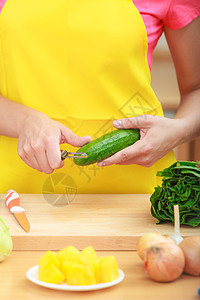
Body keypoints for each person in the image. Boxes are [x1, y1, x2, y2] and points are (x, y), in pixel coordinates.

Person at [0, 0, 199, 194]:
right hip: (18, 195)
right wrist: (25, 121)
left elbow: (196, 89)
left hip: (139, 198)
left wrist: (178, 131)